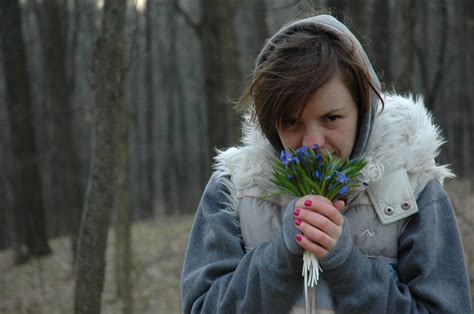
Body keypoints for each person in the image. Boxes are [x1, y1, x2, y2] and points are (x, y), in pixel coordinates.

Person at [181, 14, 472, 313]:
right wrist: (282, 254)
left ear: (363, 110)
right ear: (270, 124)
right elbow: (201, 307)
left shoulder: (413, 190)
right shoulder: (234, 190)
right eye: (291, 122)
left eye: (331, 119)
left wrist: (348, 264)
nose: (312, 143)